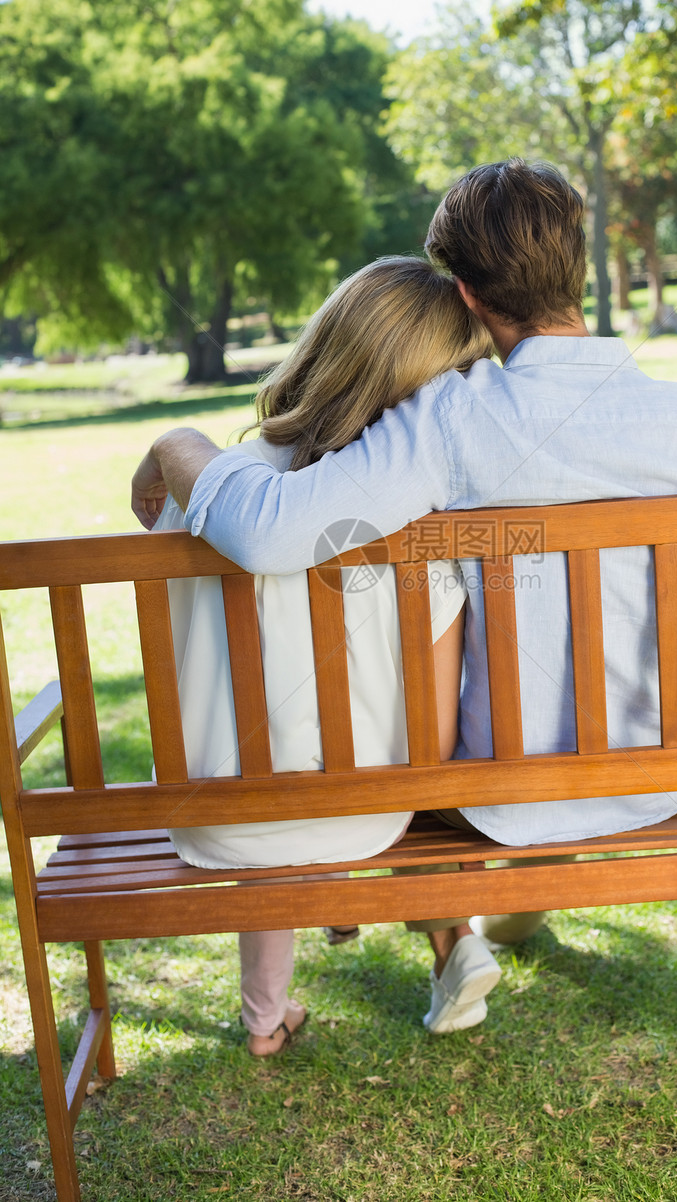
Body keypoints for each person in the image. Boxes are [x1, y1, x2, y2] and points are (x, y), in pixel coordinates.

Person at [132, 158, 677, 971]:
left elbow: (266, 532)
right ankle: (517, 911)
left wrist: (174, 443)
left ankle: (491, 919)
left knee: (475, 755)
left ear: (466, 294)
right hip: (655, 780)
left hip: (502, 802)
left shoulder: (450, 420)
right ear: (577, 267)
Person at [142, 256, 502, 1053]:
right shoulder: (420, 530)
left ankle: (266, 1018)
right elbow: (431, 743)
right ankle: (446, 931)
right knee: (405, 769)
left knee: (272, 774)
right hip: (362, 813)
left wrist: (175, 441)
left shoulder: (203, 492)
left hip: (209, 812)